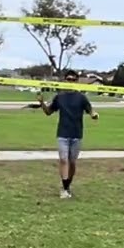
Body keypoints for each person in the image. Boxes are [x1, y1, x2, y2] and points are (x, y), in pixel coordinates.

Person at [37, 70, 99, 199]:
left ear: (77, 81)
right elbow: (49, 112)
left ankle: (68, 185)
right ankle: (64, 188)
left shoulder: (81, 97)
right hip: (63, 134)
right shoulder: (60, 97)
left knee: (72, 162)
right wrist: (41, 103)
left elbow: (90, 110)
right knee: (64, 160)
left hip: (76, 134)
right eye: (68, 79)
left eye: (73, 80)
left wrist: (94, 115)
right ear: (65, 81)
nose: (70, 82)